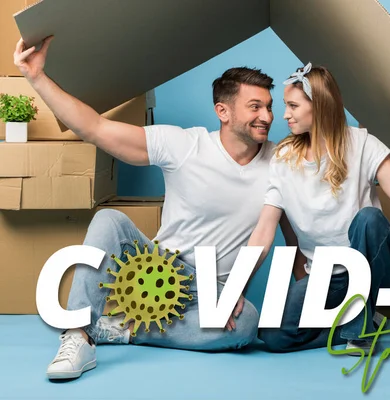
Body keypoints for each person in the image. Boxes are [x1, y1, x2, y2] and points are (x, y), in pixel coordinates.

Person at [13, 36, 306, 380]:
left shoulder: (283, 162)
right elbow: (94, 128)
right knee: (109, 219)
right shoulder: (184, 144)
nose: (267, 116)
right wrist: (36, 77)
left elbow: (293, 237)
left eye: (269, 107)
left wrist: (313, 308)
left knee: (246, 325)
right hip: (158, 273)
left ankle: (122, 329)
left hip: (215, 293)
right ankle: (79, 335)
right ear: (223, 112)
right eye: (255, 106)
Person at [246, 62, 390, 353]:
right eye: (285, 106)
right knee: (274, 337)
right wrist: (238, 287)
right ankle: (352, 327)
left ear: (320, 106)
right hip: (326, 277)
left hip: (376, 270)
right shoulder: (284, 158)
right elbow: (265, 229)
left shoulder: (363, 144)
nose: (285, 114)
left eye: (293, 105)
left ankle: (358, 329)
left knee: (368, 219)